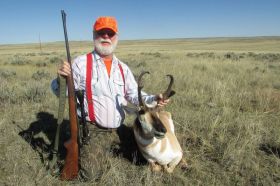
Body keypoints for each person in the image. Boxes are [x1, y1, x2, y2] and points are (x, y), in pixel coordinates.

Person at [51, 16, 169, 180]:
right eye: (102, 33)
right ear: (94, 35)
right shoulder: (80, 64)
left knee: (146, 153)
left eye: (110, 33)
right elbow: (59, 91)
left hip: (118, 128)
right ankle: (97, 151)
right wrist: (61, 79)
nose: (106, 37)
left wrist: (154, 98)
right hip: (94, 128)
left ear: (116, 38)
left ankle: (114, 146)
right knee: (90, 174)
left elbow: (134, 95)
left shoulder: (122, 68)